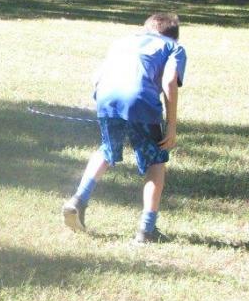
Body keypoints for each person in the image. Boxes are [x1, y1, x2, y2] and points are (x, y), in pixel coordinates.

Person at [62, 13, 187, 244]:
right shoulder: (173, 47)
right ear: (173, 35)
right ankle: (146, 230)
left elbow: (97, 77)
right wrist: (171, 126)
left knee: (107, 149)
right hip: (140, 100)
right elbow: (169, 81)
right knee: (156, 161)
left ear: (146, 28)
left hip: (106, 97)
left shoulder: (122, 42)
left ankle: (78, 200)